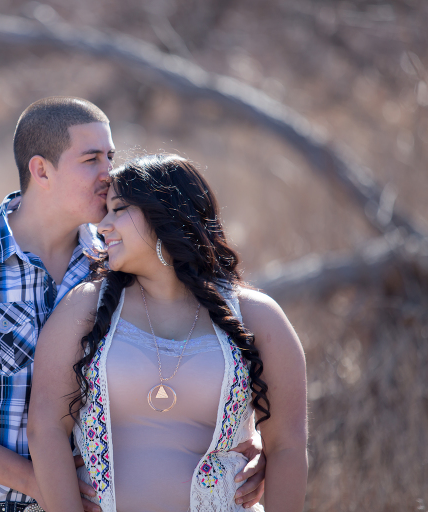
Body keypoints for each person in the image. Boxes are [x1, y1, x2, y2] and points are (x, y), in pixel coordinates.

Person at [0, 98, 267, 512]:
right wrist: (43, 485)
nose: (108, 173)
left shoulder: (114, 262)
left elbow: (181, 367)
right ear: (41, 170)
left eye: (110, 155)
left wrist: (244, 445)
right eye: (90, 159)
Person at [28, 154, 308, 511]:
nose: (103, 225)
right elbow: (45, 427)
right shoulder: (84, 308)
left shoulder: (257, 317)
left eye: (119, 209)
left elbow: (287, 446)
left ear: (165, 215)